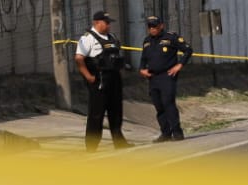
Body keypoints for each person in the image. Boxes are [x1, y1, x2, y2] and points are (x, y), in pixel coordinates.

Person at [74, 10, 131, 151]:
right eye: (106, 23)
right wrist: (88, 76)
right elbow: (79, 58)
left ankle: (119, 141)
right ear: (96, 22)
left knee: (116, 110)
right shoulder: (88, 38)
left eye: (109, 23)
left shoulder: (111, 37)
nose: (109, 25)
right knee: (96, 113)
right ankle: (91, 145)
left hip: (114, 78)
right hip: (99, 79)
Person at [139, 15, 193, 142]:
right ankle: (165, 133)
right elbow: (143, 58)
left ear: (161, 26)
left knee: (168, 103)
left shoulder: (170, 37)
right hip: (153, 77)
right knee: (159, 106)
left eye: (154, 26)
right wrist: (141, 69)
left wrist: (179, 65)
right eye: (150, 26)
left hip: (167, 76)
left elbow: (188, 50)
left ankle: (177, 132)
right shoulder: (147, 41)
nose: (152, 29)